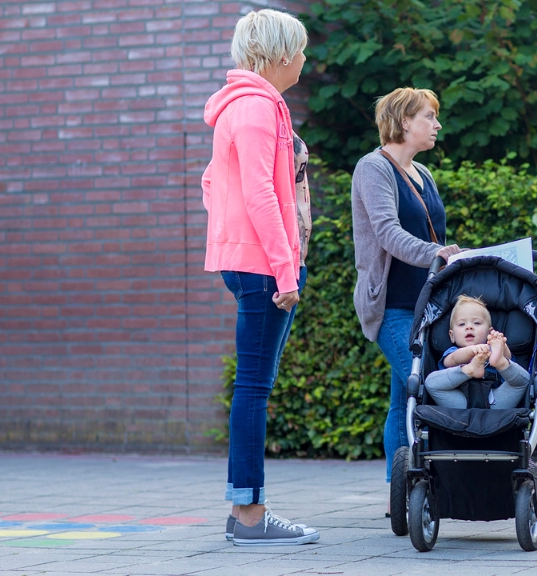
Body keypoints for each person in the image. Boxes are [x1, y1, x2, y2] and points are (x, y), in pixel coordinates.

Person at [201, 9, 319, 545]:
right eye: (297, 50)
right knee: (253, 389)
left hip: (246, 259)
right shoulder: (255, 110)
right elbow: (259, 194)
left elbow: (212, 183)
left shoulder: (246, 107)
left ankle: (244, 510)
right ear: (275, 56)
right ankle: (249, 516)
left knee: (254, 387)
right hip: (261, 267)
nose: (302, 59)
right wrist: (283, 267)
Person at [350, 88, 461, 504]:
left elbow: (436, 237)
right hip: (393, 307)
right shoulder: (373, 168)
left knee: (403, 399)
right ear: (402, 122)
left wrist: (449, 256)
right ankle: (421, 488)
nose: (437, 124)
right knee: (426, 387)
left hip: (429, 304)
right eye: (429, 117)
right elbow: (388, 233)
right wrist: (437, 253)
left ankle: (401, 492)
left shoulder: (422, 173)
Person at [424, 295, 530, 409]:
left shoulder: (492, 349)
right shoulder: (454, 352)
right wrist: (471, 352)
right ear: (452, 335)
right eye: (461, 324)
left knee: (522, 380)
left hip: (495, 400)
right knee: (431, 382)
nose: (469, 327)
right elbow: (451, 361)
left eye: (477, 323)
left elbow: (510, 358)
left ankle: (501, 363)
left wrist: (501, 346)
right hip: (460, 402)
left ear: (489, 332)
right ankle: (470, 370)